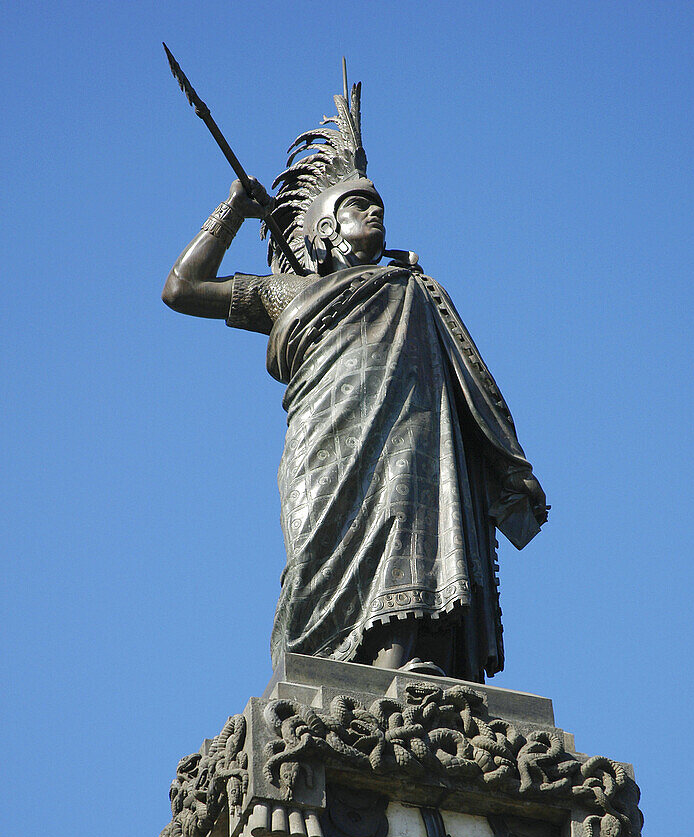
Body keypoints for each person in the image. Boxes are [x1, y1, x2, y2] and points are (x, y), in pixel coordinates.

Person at [163, 78, 547, 682]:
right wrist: (233, 208)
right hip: (325, 443)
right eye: (358, 206)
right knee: (314, 555)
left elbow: (468, 378)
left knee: (410, 516)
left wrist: (503, 461)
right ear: (325, 229)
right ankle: (321, 668)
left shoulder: (412, 291)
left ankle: (407, 657)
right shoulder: (286, 292)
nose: (375, 213)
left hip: (412, 431)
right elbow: (181, 289)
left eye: (380, 207)